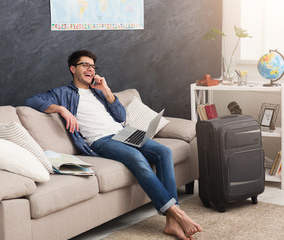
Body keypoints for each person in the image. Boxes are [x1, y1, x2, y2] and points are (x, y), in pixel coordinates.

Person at [25, 50, 202, 240]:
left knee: (164, 151)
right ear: (72, 68)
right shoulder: (62, 93)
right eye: (85, 65)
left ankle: (171, 222)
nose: (90, 69)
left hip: (124, 132)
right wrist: (61, 109)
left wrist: (107, 90)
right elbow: (32, 101)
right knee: (136, 157)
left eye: (93, 67)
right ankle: (177, 213)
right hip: (101, 140)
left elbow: (121, 117)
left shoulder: (98, 92)